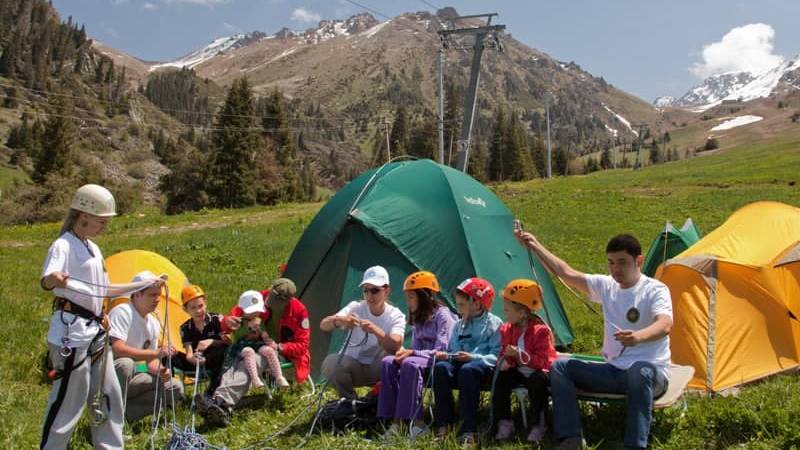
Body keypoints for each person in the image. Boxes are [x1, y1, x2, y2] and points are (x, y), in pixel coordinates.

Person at [515, 231, 672, 450]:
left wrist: (638, 337)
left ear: (639, 261)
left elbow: (664, 324)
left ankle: (635, 445)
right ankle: (571, 438)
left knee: (639, 371)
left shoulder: (655, 290)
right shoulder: (606, 285)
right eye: (611, 263)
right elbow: (565, 272)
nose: (616, 269)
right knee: (560, 367)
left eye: (622, 262)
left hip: (651, 375)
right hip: (614, 371)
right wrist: (534, 245)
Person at [40, 184, 132, 450]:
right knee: (68, 403)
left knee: (109, 396)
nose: (104, 226)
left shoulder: (93, 247)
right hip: (73, 334)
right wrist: (53, 279)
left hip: (95, 333)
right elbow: (48, 281)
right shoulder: (63, 245)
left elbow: (104, 289)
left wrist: (141, 285)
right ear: (84, 216)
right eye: (101, 221)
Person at [203, 279, 311, 427]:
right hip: (252, 345)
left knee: (254, 360)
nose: (268, 305)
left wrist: (279, 346)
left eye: (276, 303)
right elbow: (232, 317)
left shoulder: (299, 311)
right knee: (241, 358)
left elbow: (303, 346)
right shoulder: (258, 298)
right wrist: (227, 322)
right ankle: (219, 401)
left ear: (289, 300)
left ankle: (222, 403)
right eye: (269, 301)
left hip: (281, 352)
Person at [378, 271, 457, 439]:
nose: (408, 301)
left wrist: (412, 353)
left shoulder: (443, 315)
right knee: (387, 361)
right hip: (421, 360)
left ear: (426, 296)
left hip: (440, 362)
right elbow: (415, 347)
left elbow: (442, 349)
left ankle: (418, 424)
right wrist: (406, 353)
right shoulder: (418, 317)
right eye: (407, 297)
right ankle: (395, 422)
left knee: (410, 363)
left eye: (411, 297)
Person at [431, 277, 503, 446]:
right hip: (461, 363)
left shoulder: (494, 324)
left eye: (462, 305)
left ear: (477, 304)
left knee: (468, 370)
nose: (458, 309)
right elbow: (453, 350)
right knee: (441, 368)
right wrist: (447, 356)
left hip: (481, 367)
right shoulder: (458, 324)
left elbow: (496, 356)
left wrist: (473, 357)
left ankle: (469, 429)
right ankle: (444, 424)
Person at [320, 265, 406, 399]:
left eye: (375, 290)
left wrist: (375, 330)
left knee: (397, 359)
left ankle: (379, 400)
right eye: (366, 290)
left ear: (387, 291)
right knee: (330, 363)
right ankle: (350, 403)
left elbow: (396, 344)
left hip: (378, 368)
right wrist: (340, 321)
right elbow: (323, 325)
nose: (369, 295)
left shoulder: (395, 315)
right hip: (354, 366)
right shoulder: (355, 307)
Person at [109, 271, 184, 423]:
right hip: (110, 372)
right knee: (126, 364)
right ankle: (110, 419)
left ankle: (123, 416)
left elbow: (150, 363)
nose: (157, 300)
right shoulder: (123, 312)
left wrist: (161, 370)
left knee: (175, 388)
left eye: (158, 295)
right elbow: (117, 349)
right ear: (137, 294)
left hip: (139, 370)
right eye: (152, 295)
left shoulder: (153, 323)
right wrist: (155, 352)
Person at [493, 279, 557, 443]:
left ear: (521, 313)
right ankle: (505, 421)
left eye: (507, 310)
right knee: (502, 377)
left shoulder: (541, 331)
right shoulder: (507, 329)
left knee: (538, 382)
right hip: (519, 370)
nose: (504, 313)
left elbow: (543, 361)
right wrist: (507, 360)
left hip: (538, 371)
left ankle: (539, 423)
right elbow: (503, 351)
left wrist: (519, 356)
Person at [172, 284, 229, 394]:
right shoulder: (185, 328)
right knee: (170, 355)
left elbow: (228, 342)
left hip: (215, 360)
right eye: (193, 308)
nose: (198, 311)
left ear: (205, 304)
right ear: (185, 309)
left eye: (200, 306)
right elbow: (188, 353)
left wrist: (211, 342)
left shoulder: (217, 319)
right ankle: (172, 394)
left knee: (222, 350)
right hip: (196, 361)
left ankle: (211, 391)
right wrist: (192, 359)